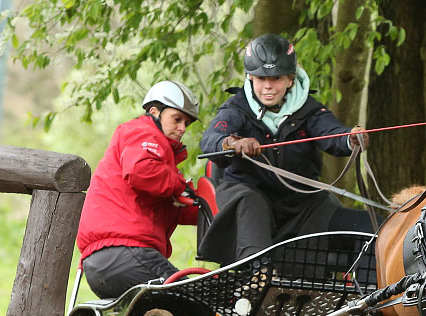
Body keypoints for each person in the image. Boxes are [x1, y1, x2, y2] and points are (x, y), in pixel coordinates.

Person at [199, 33, 371, 265]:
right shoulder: (235, 108)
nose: (268, 86)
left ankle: (373, 298)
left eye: (276, 78)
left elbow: (331, 134)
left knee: (371, 228)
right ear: (250, 77)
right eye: (261, 78)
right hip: (250, 202)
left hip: (304, 207)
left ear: (290, 79)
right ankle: (258, 280)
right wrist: (232, 143)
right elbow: (210, 140)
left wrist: (350, 139)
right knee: (249, 201)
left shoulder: (309, 110)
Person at [77, 80, 202, 299]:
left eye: (187, 123)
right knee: (196, 300)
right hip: (125, 251)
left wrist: (211, 207)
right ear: (154, 111)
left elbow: (179, 205)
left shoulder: (160, 166)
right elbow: (140, 170)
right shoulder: (144, 132)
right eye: (177, 119)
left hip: (99, 263)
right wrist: (180, 187)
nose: (182, 128)